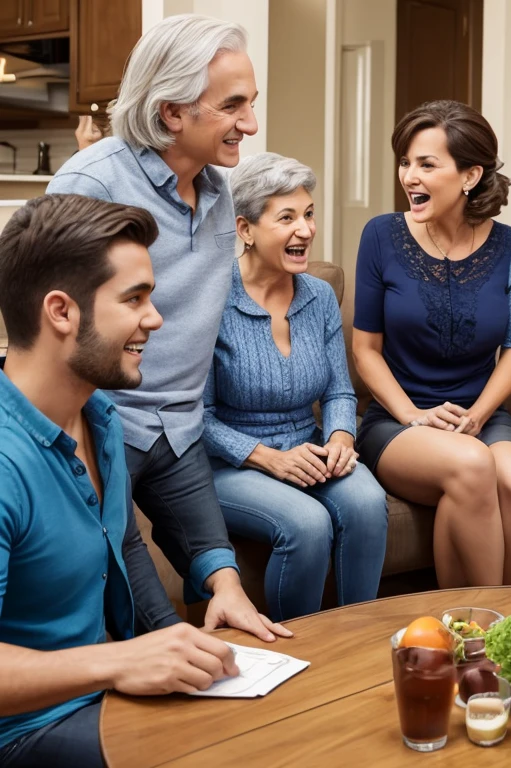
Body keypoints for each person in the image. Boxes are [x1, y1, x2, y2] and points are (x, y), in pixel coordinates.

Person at [46, 15, 288, 642]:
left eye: (251, 104)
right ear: (171, 111)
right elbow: (45, 320)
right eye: (232, 106)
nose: (251, 125)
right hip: (104, 423)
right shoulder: (92, 183)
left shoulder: (220, 193)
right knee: (151, 625)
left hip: (180, 427)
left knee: (226, 583)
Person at [0, 194, 240, 768]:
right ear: (62, 312)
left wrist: (176, 642)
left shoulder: (101, 417)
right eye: (135, 298)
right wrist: (119, 662)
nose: (155, 318)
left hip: (97, 700)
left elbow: (124, 543)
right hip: (23, 734)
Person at [352, 100, 511, 588]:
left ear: (469, 175)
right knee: (472, 464)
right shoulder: (381, 235)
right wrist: (413, 416)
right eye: (405, 162)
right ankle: (496, 628)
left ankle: (463, 625)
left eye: (426, 164)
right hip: (399, 419)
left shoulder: (509, 246)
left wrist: (478, 414)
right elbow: (365, 351)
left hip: (477, 414)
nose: (409, 177)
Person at [202, 153, 388, 620]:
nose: (305, 229)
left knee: (367, 501)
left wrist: (341, 437)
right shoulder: (211, 297)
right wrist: (267, 458)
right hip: (229, 462)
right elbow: (193, 417)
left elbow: (340, 393)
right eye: (286, 217)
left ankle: (359, 642)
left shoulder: (319, 296)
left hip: (309, 448)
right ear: (244, 229)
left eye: (308, 214)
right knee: (307, 523)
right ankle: (301, 657)